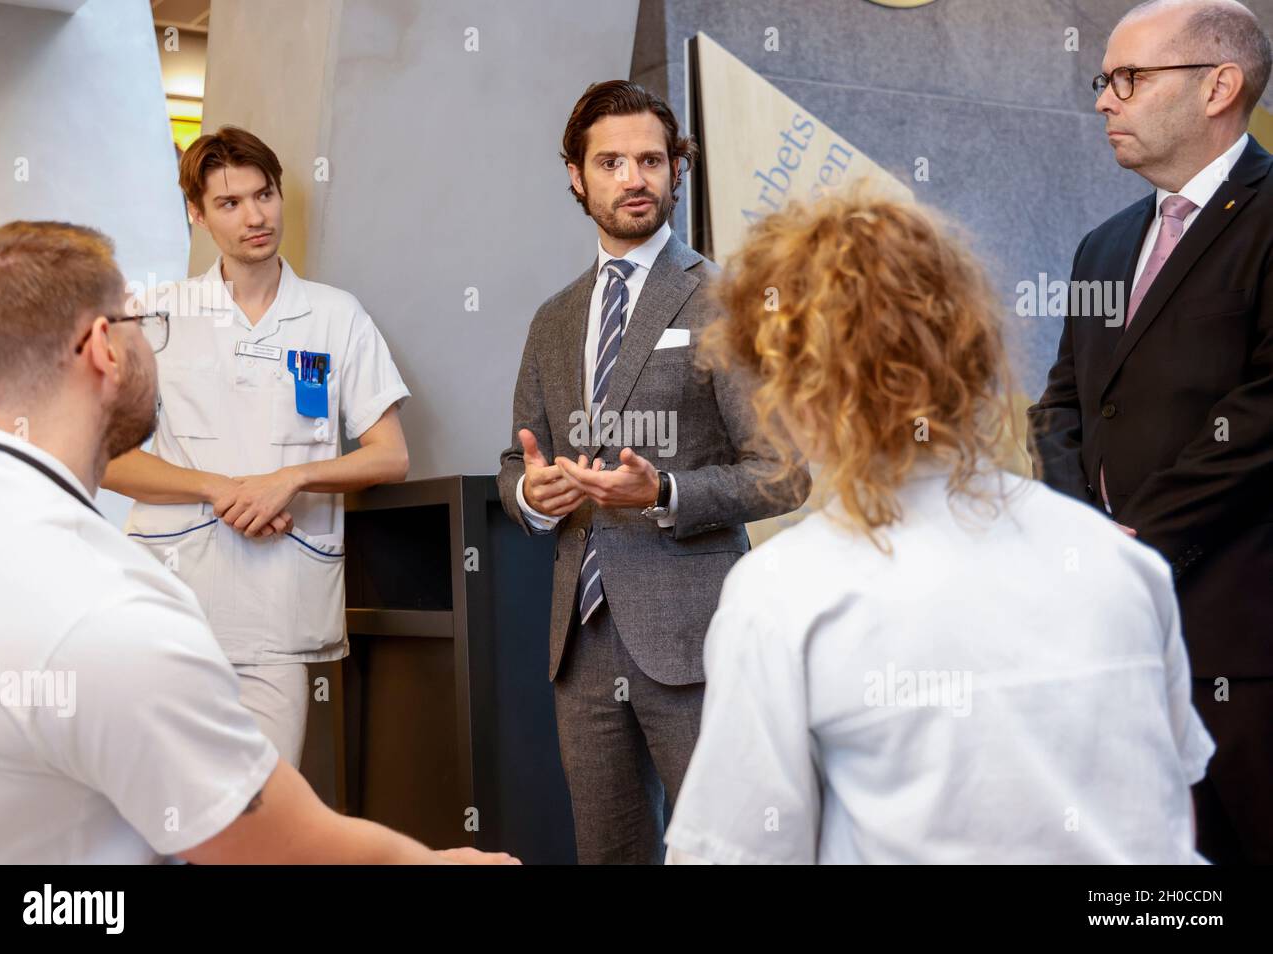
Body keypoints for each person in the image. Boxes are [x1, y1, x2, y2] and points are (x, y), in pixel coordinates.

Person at [665, 194, 1213, 864]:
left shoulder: (783, 597)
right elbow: (1171, 818)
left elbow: (735, 856)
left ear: (795, 386)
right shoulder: (1124, 566)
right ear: (972, 348)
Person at [0, 220, 514, 864]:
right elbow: (274, 847)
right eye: (134, 322)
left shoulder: (21, 539)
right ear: (102, 349)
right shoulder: (111, 609)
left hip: (273, 605)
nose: (150, 335)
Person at [496, 80, 809, 864]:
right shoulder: (555, 317)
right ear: (577, 176)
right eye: (611, 162)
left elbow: (786, 473)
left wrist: (664, 492)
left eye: (650, 159)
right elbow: (515, 462)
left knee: (731, 852)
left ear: (677, 170)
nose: (634, 177)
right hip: (583, 638)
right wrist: (532, 496)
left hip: (695, 636)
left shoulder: (727, 299)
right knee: (608, 853)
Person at [1027, 0, 1273, 863]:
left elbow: (1264, 409)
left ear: (1219, 86)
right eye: (1105, 80)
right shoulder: (1104, 244)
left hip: (1243, 644)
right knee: (1147, 892)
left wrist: (1140, 538)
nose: (1104, 100)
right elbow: (1062, 405)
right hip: (1115, 643)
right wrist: (1083, 534)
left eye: (1128, 79)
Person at [102, 126, 411, 767]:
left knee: (265, 801)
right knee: (161, 803)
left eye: (263, 195)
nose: (254, 217)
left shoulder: (334, 315)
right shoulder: (155, 315)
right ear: (197, 213)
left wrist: (289, 480)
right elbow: (107, 460)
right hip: (171, 600)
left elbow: (390, 455)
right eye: (229, 203)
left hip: (279, 604)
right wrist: (221, 488)